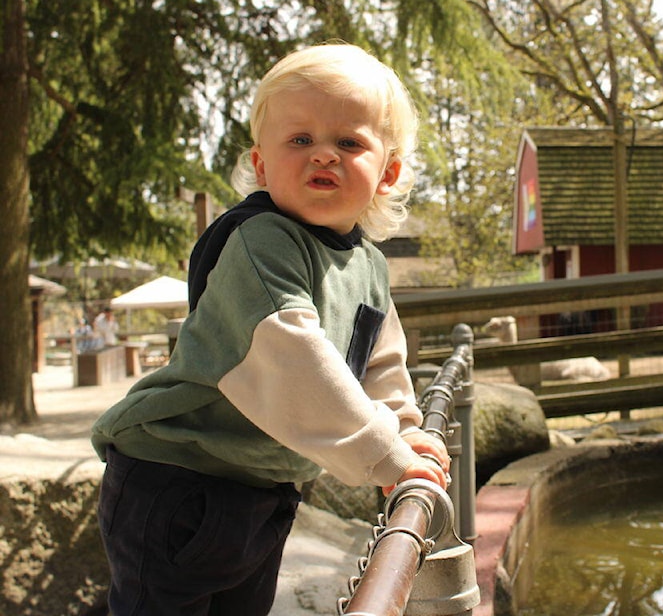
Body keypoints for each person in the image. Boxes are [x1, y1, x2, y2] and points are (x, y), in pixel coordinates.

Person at [91, 42, 449, 616]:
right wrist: (383, 453)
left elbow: (378, 360)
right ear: (261, 164)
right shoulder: (261, 242)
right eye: (300, 140)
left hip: (263, 487)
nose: (323, 155)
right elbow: (291, 352)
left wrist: (405, 429)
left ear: (389, 172)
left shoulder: (368, 265)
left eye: (349, 142)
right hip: (179, 478)